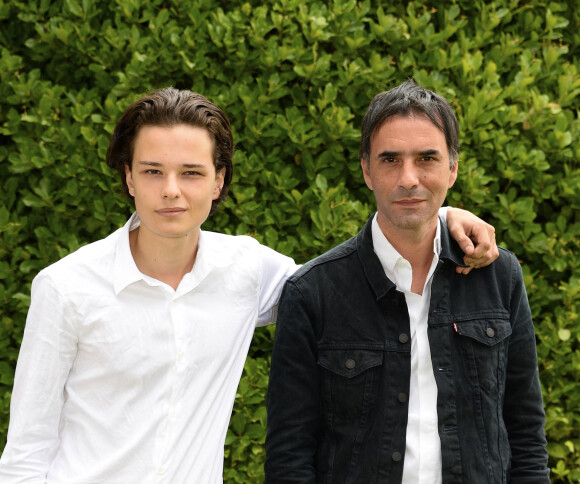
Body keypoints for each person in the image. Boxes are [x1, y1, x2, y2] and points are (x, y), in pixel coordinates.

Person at [0, 88, 498, 483]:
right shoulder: (65, 288)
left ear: (218, 182)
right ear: (128, 177)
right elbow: (26, 450)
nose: (171, 190)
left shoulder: (248, 270)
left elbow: (345, 282)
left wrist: (439, 215)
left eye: (191, 172)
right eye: (153, 171)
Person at [265, 79, 550, 483]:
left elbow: (525, 432)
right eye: (390, 160)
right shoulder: (313, 292)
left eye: (427, 159)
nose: (409, 178)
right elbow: (289, 456)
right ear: (366, 170)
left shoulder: (499, 277)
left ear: (452, 169)